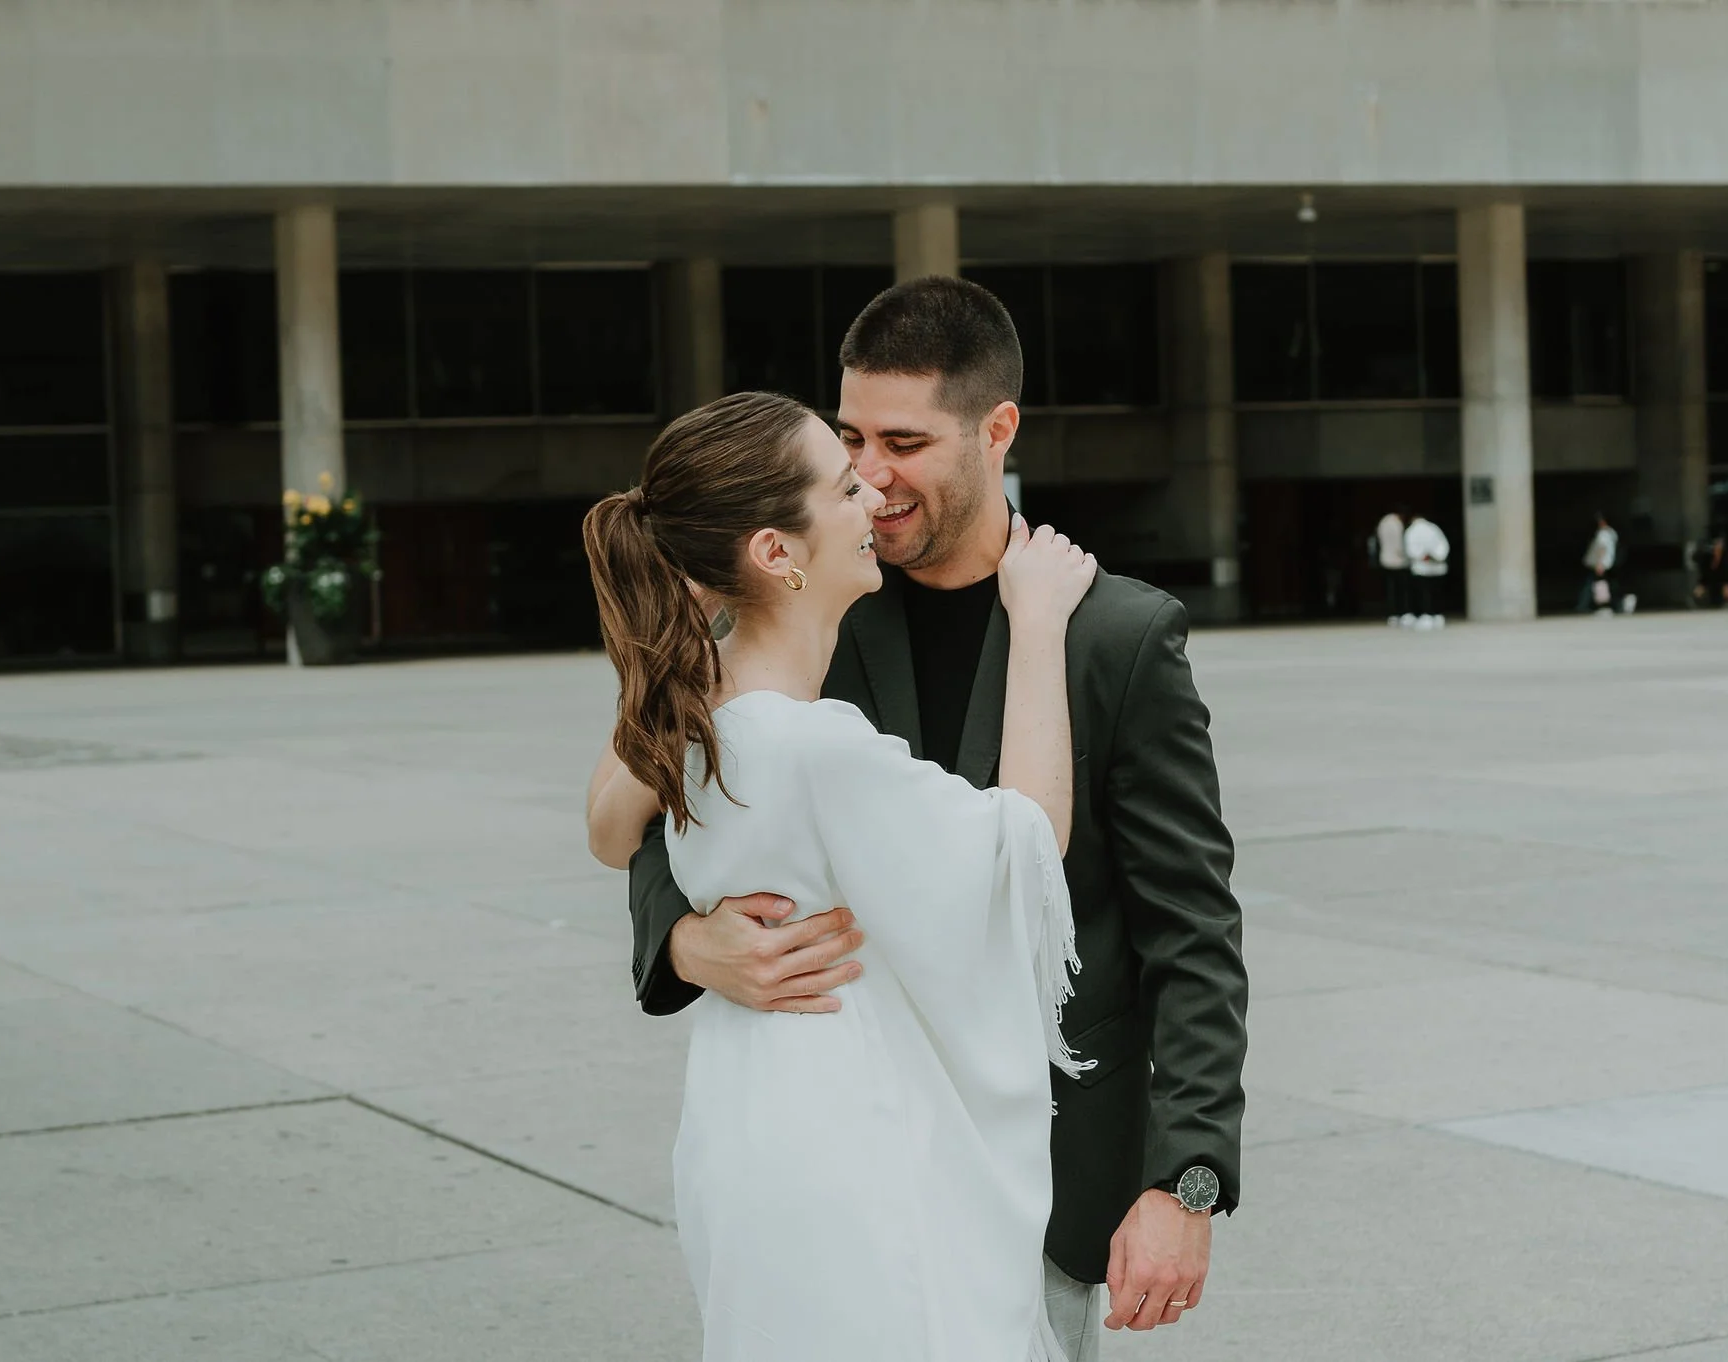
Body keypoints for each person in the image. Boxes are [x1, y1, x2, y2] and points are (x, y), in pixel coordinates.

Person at [625, 278, 1248, 1362]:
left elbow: (1188, 930)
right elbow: (666, 800)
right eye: (852, 436)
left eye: (904, 441)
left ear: (995, 429)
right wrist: (682, 941)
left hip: (1050, 1171)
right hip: (858, 1167)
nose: (869, 473)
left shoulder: (1116, 635)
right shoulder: (814, 599)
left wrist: (1182, 1179)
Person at [585, 390, 1099, 1359]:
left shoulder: (689, 707)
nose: (868, 491)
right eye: (840, 482)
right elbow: (1025, 845)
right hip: (847, 1154)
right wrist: (1034, 626)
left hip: (745, 1134)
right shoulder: (810, 746)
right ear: (773, 554)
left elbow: (612, 825)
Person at [1404, 509, 1451, 628]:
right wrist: (1436, 556)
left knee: (1423, 593)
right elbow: (1443, 545)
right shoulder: (1433, 528)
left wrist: (1423, 556)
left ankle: (1427, 614)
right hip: (1437, 566)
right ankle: (1437, 615)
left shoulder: (1412, 530)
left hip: (1422, 567)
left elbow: (1411, 548)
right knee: (1436, 592)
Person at [1579, 511, 1620, 615]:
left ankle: (1585, 605)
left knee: (1592, 586)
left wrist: (1599, 563)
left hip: (1600, 564)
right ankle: (1614, 605)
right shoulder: (1611, 532)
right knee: (1607, 585)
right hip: (1607, 563)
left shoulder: (1603, 534)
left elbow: (1602, 549)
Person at [1375, 504, 1410, 625]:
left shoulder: (1383, 522)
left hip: (1385, 559)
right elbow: (1399, 544)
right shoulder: (1396, 524)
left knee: (1390, 589)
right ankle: (1400, 613)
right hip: (1398, 561)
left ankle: (1391, 614)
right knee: (1400, 590)